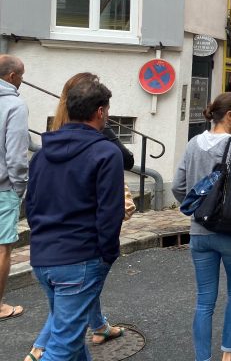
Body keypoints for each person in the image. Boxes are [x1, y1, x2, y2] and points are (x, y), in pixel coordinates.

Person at [27, 73, 135, 361]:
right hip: (80, 259)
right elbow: (109, 213)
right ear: (100, 111)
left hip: (44, 258)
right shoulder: (105, 152)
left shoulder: (40, 154)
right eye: (107, 111)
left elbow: (32, 205)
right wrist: (107, 255)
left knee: (72, 342)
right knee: (62, 348)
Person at [172, 92, 231, 361]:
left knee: (204, 300)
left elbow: (177, 186)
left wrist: (197, 208)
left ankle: (202, 358)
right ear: (229, 116)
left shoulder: (193, 143)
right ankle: (228, 355)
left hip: (200, 232)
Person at [0, 55, 28, 323]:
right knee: (2, 249)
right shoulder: (14, 105)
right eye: (21, 76)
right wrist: (20, 188)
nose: (22, 82)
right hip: (2, 187)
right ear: (11, 77)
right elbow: (16, 155)